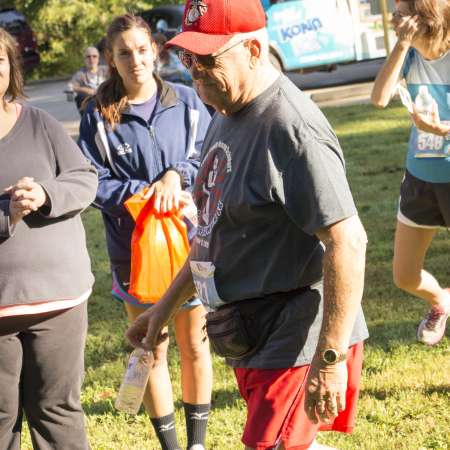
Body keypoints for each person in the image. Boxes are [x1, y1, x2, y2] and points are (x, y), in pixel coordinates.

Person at [126, 1, 369, 450]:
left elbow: (347, 241)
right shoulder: (226, 112)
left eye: (209, 58)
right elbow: (211, 235)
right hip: (249, 331)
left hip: (298, 335)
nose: (195, 71)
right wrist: (163, 309)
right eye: (188, 58)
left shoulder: (290, 128)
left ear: (254, 49)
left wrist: (330, 358)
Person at [77, 14, 213, 450]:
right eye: (123, 53)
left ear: (155, 50)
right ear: (111, 60)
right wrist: (145, 193)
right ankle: (171, 447)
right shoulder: (97, 117)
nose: (134, 60)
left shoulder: (189, 102)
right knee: (150, 347)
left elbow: (209, 158)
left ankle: (197, 443)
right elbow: (90, 181)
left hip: (190, 247)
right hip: (133, 254)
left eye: (141, 49)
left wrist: (178, 175)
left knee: (194, 345)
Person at [0, 28, 97, 450]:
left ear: (10, 67)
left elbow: (84, 179)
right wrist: (7, 213)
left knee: (56, 411)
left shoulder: (39, 121)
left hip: (58, 301)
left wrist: (45, 194)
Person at [371, 0, 450, 345]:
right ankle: (440, 301)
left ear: (425, 18)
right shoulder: (411, 57)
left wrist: (444, 130)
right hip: (421, 179)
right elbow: (379, 98)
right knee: (404, 275)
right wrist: (402, 45)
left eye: (401, 13)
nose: (394, 18)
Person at [71, 46, 108, 114]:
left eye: (94, 56)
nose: (91, 59)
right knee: (80, 96)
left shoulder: (106, 70)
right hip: (90, 103)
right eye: (88, 56)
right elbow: (71, 86)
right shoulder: (81, 74)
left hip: (107, 101)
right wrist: (86, 90)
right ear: (84, 59)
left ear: (98, 58)